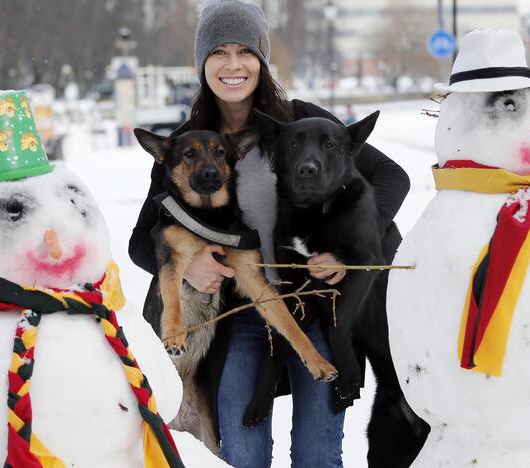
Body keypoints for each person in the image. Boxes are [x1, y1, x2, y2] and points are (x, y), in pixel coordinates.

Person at [128, 1, 410, 466]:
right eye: (218, 52)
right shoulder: (186, 147)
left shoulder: (300, 125)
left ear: (262, 57)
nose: (233, 64)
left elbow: (391, 177)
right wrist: (191, 267)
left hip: (315, 307)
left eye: (245, 51)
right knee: (241, 452)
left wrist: (349, 251)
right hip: (238, 316)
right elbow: (143, 241)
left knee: (318, 452)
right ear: (203, 63)